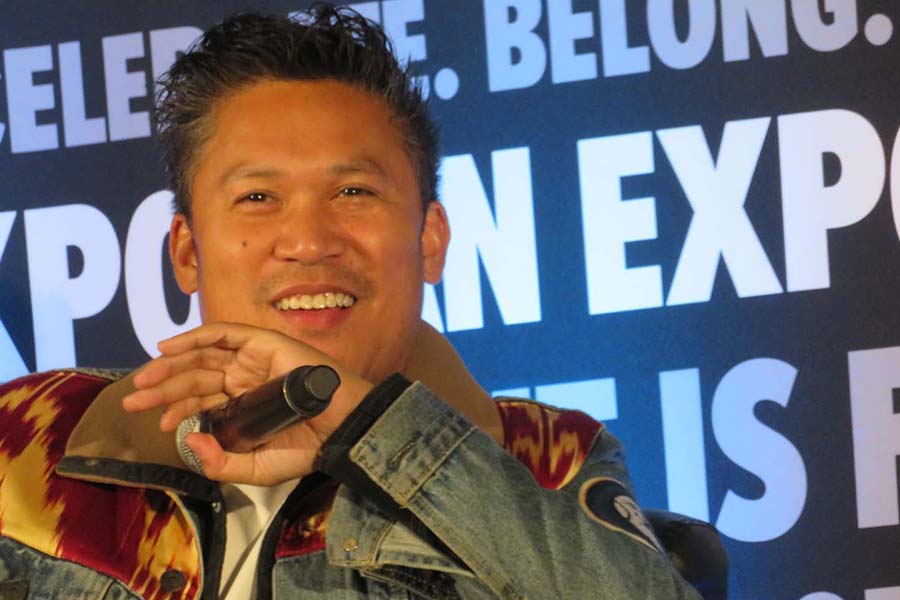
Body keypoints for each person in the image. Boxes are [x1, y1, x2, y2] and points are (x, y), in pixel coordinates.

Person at [0, 6, 704, 599]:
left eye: (353, 192)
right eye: (258, 197)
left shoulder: (542, 462)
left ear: (429, 239)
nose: (309, 242)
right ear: (186, 253)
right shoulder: (29, 438)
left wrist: (375, 433)